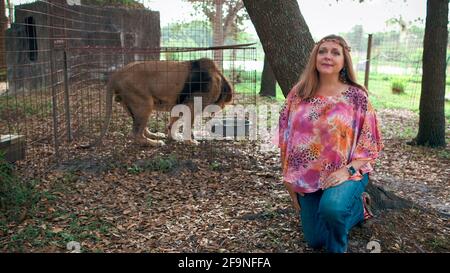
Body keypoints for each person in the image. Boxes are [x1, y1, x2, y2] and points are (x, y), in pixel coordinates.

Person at [277, 34, 383, 253]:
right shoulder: (299, 93)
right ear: (314, 58)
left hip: (346, 173)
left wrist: (347, 171)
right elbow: (285, 138)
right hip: (307, 176)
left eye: (335, 53)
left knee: (332, 209)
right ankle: (358, 210)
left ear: (344, 62)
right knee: (315, 239)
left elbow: (370, 146)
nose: (328, 56)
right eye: (323, 51)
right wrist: (286, 176)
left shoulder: (357, 96)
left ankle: (338, 245)